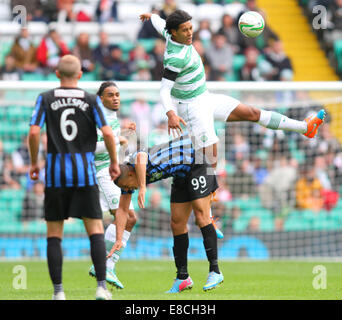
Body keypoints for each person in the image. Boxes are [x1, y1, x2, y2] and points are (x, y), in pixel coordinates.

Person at [139, 10, 326, 166]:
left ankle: (305, 127)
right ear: (173, 32)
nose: (190, 33)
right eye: (185, 30)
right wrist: (171, 113)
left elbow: (160, 23)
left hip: (205, 97)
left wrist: (152, 16)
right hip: (191, 107)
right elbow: (164, 89)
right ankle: (207, 208)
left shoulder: (170, 33)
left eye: (190, 28)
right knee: (210, 159)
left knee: (252, 113)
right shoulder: (175, 58)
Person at [27, 55, 120, 300]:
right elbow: (109, 134)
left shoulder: (45, 98)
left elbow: (34, 131)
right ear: (80, 75)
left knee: (54, 234)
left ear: (57, 73)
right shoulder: (91, 100)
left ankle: (58, 292)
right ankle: (101, 287)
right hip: (85, 175)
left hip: (56, 177)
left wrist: (35, 162)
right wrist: (113, 162)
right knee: (95, 230)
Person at [109, 133, 224, 293]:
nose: (128, 190)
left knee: (200, 215)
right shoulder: (127, 178)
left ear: (130, 174)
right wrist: (119, 239)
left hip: (196, 164)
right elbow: (122, 210)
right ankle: (182, 277)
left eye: (127, 186)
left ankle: (215, 271)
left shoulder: (137, 161)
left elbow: (141, 156)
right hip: (180, 174)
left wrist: (142, 186)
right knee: (177, 223)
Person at [88, 81, 137, 290]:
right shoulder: (95, 117)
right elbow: (91, 146)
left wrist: (123, 133)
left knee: (131, 219)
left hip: (115, 172)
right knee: (125, 216)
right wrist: (119, 140)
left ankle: (106, 264)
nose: (115, 98)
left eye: (117, 94)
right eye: (110, 95)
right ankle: (105, 265)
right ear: (100, 98)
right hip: (103, 172)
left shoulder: (112, 116)